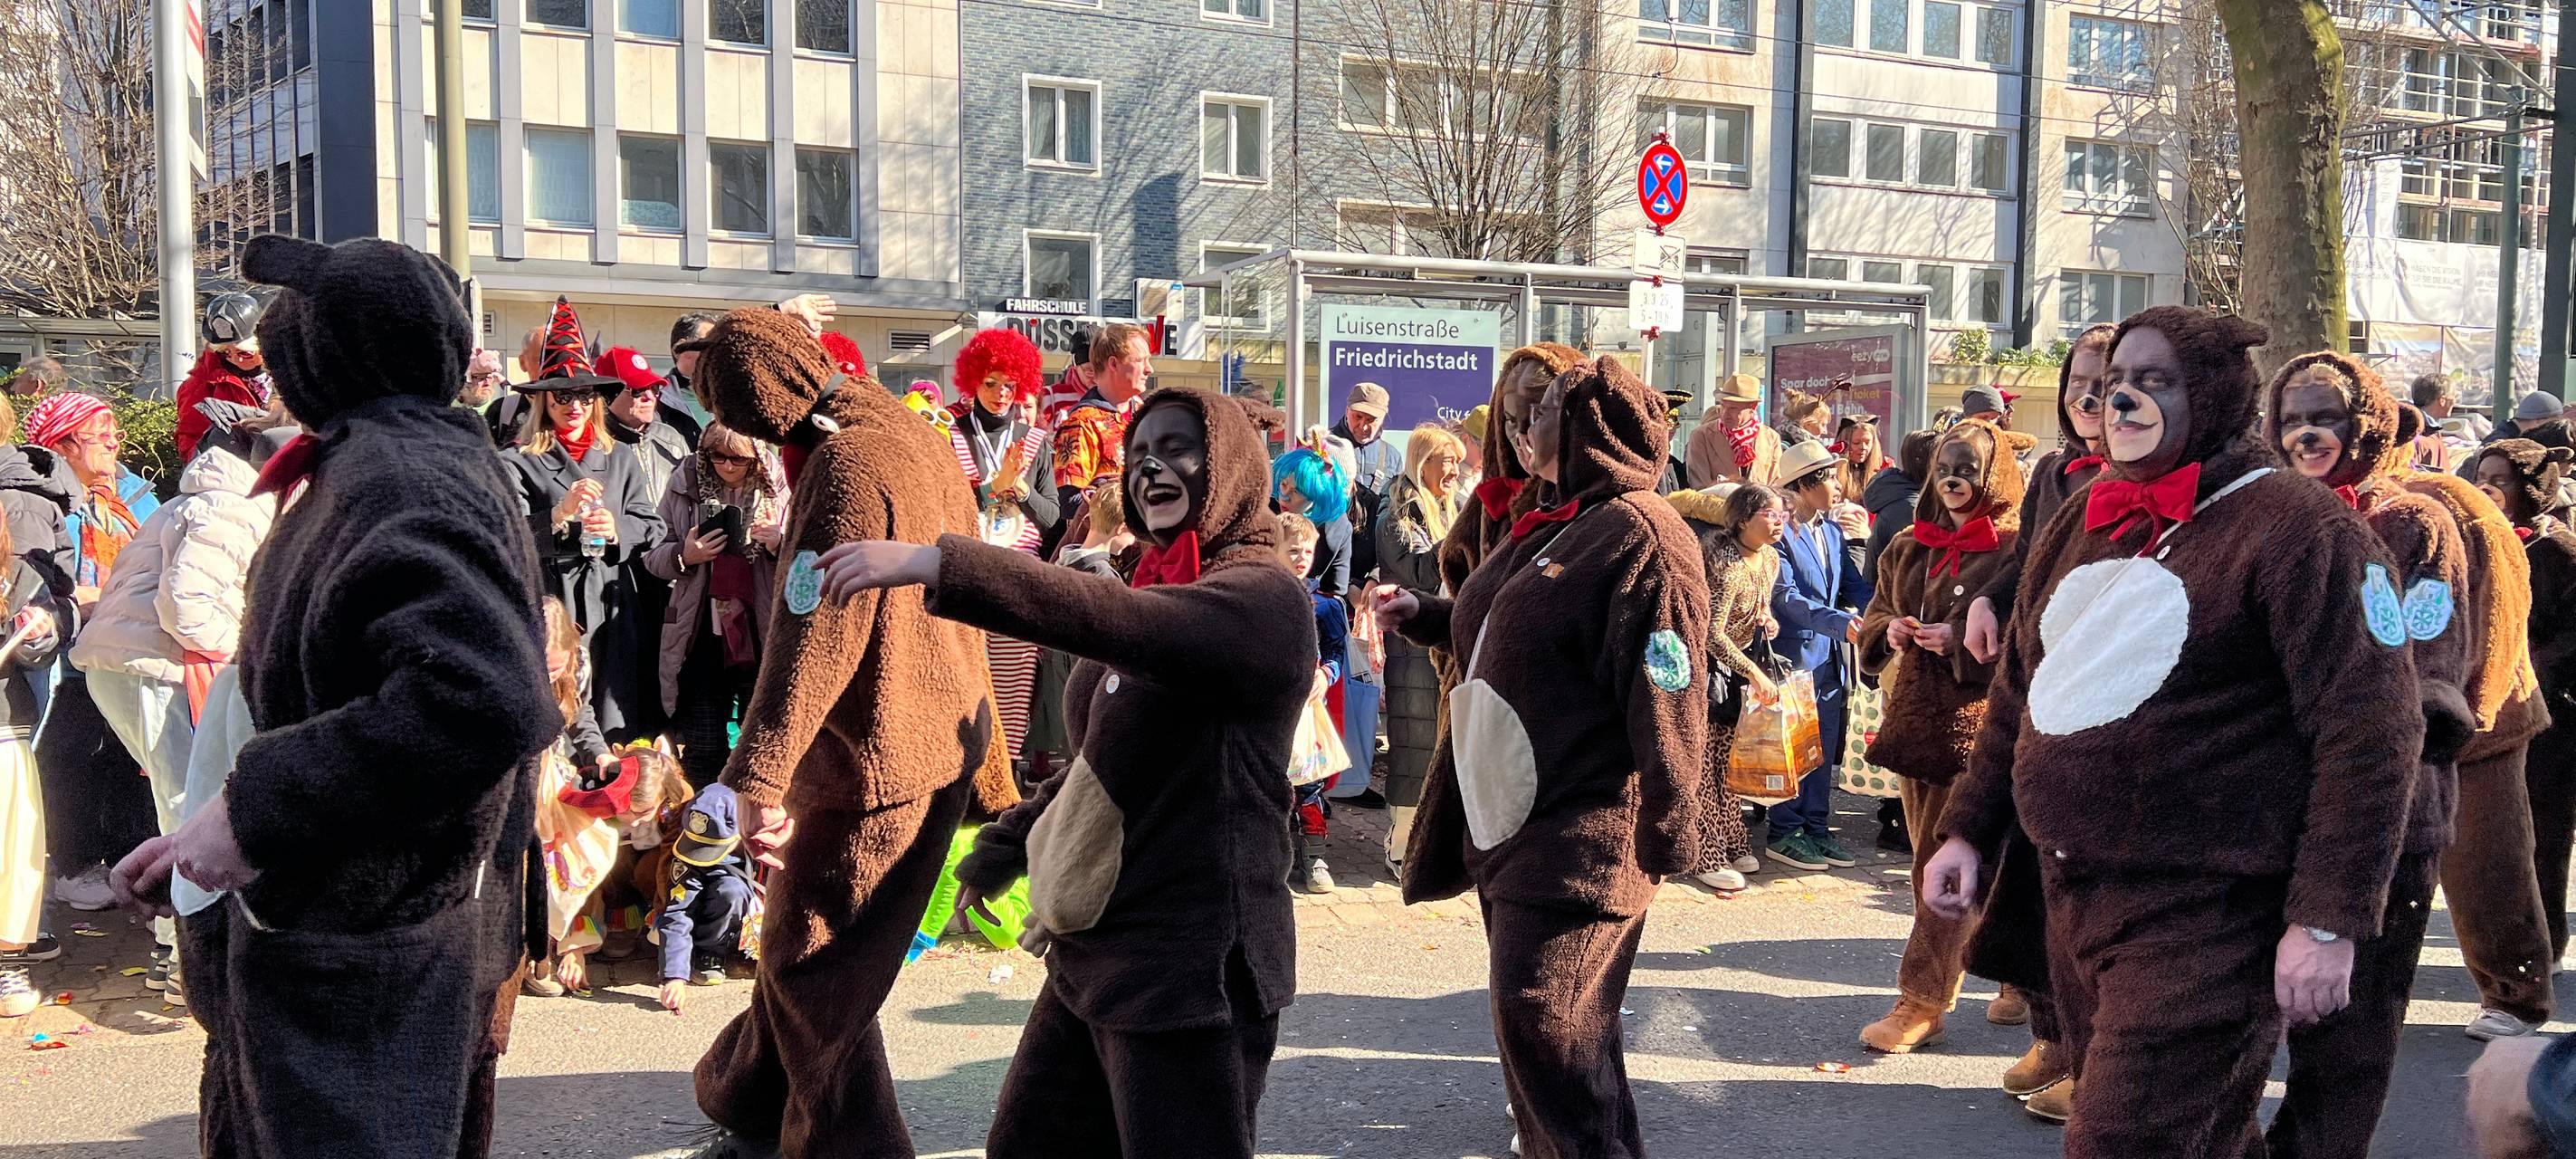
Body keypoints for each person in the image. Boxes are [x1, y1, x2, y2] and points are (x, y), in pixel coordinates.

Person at [1921, 308, 2425, 1157]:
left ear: (2216, 395)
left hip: (2212, 909)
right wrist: (1969, 828)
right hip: (2076, 896)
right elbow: (2021, 691)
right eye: (2119, 381)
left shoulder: (2305, 531)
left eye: (2156, 383)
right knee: (2206, 1137)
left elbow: (2372, 732)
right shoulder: (2085, 517)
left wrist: (2328, 919)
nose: (2124, 401)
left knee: (2125, 1140)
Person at [110, 233, 558, 1158]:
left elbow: (477, 695)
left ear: (318, 349)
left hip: (365, 955)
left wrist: (256, 812)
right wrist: (211, 828)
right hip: (353, 935)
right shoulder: (392, 459)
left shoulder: (398, 475)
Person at [818, 387, 1313, 1159]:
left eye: (1178, 447)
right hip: (1095, 948)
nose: (1152, 467)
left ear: (1230, 468)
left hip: (1192, 963)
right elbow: (1100, 763)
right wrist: (1008, 845)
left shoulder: (1261, 600)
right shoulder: (1158, 585)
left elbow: (1118, 622)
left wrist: (938, 561)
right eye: (1139, 452)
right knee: (1028, 1146)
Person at [674, 305, 1007, 1159]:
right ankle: (751, 1106)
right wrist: (995, 763)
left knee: (812, 965)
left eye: (725, 409)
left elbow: (817, 630)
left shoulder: (846, 462)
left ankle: (847, 1149)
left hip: (878, 753)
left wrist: (755, 778)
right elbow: (962, 614)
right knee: (811, 950)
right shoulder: (913, 432)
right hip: (931, 736)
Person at [1371, 356, 1710, 1159]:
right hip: (1512, 830)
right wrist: (1420, 611)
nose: (1525, 424)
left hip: (1582, 838)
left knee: (1550, 1027)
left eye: (1549, 408)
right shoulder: (1559, 521)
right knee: (1555, 1043)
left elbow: (1670, 684)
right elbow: (1501, 633)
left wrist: (1670, 821)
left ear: (1590, 422)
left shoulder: (1641, 535)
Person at [2262, 349, 2479, 1157]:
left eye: (2326, 417)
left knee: (2349, 1029)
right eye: (2291, 419)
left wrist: (2365, 740)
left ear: (2369, 425)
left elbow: (2426, 660)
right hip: (2274, 806)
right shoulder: (2269, 514)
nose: (2308, 434)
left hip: (2392, 807)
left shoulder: (2412, 522)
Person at [1951, 321, 2116, 1120]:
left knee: (2088, 884)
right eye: (2081, 376)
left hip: (2108, 701)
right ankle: (2056, 1034)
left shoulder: (2144, 474)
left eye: (2109, 377)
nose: (2092, 393)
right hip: (2038, 692)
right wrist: (1986, 595)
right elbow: (2029, 558)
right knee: (2032, 875)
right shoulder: (2054, 469)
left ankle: (2098, 1063)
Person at [68, 405, 282, 1003]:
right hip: (159, 669)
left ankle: (179, 948)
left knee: (184, 801)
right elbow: (185, 602)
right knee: (186, 806)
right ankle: (181, 954)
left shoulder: (201, 499)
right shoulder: (231, 503)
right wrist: (249, 657)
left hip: (135, 666)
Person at [1852, 418, 2035, 1055]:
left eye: (1969, 470)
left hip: (1987, 733)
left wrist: (1964, 642)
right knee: (1938, 866)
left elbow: (2033, 633)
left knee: (1975, 864)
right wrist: (1890, 633)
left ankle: (1931, 998)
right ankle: (1979, 983)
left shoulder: (2016, 549)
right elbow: (1874, 614)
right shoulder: (1907, 545)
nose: (1955, 482)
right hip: (1917, 731)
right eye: (1946, 469)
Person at [500, 299, 665, 744]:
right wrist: (558, 514)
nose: (574, 406)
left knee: (615, 716)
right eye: (563, 396)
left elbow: (652, 526)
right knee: (559, 715)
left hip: (611, 599)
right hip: (552, 602)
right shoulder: (516, 462)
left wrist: (617, 531)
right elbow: (505, 537)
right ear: (543, 400)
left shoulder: (619, 456)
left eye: (584, 395)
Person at [30, 390, 159, 915]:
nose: (112, 442)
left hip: (129, 651)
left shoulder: (134, 493)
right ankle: (75, 864)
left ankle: (130, 858)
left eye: (114, 431)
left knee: (132, 759)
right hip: (68, 658)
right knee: (71, 759)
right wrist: (76, 597)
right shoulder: (41, 501)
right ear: (62, 445)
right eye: (97, 433)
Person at [2474, 439, 2576, 965]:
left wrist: (2535, 665)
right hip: (2493, 714)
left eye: (2502, 479)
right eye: (2482, 475)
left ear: (2531, 490)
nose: (2488, 486)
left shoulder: (2556, 550)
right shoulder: (2480, 543)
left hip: (2552, 719)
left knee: (2544, 835)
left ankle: (2548, 944)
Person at [644, 424, 789, 789]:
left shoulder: (780, 482)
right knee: (704, 742)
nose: (726, 466)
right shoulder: (685, 481)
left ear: (755, 455)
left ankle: (754, 821)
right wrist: (685, 555)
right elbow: (653, 554)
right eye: (717, 457)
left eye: (737, 458)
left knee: (763, 739)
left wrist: (778, 545)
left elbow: (809, 559)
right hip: (701, 630)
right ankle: (702, 820)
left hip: (761, 629)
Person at [946, 328, 1061, 767]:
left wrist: (1022, 492)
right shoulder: (951, 434)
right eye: (991, 383)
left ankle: (1004, 784)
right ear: (972, 380)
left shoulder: (1035, 441)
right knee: (962, 686)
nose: (1000, 394)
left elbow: (1054, 522)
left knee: (1012, 696)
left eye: (1010, 385)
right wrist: (990, 488)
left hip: (1016, 580)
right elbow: (938, 508)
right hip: (966, 576)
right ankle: (960, 780)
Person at [1665, 480, 1783, 893]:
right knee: (1705, 764)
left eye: (1780, 512)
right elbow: (1711, 633)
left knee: (1729, 763)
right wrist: (1753, 670)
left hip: (1739, 670)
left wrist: (1766, 621)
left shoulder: (1769, 560)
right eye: (1769, 513)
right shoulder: (1725, 562)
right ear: (1743, 519)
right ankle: (1705, 853)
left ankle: (1732, 841)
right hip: (1708, 671)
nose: (1778, 520)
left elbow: (1759, 607)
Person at [1762, 437, 1873, 871]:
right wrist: (1839, 623)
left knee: (1824, 748)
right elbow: (1785, 598)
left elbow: (1853, 585)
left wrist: (1876, 612)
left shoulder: (1831, 530)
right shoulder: (1779, 534)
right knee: (1792, 748)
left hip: (1829, 659)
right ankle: (1784, 831)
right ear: (1805, 486)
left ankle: (1817, 829)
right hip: (1792, 656)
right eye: (1829, 477)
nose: (1838, 485)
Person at [1375, 423, 1465, 868]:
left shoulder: (1455, 506)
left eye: (1457, 461)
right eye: (1446, 461)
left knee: (1446, 744)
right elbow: (1418, 575)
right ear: (1421, 462)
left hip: (1449, 643)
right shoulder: (1396, 514)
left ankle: (1434, 842)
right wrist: (1462, 535)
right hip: (1411, 646)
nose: (1455, 470)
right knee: (1413, 744)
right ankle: (1401, 843)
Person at [0, 512, 67, 1018]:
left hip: (5, 727)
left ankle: (7, 960)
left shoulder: (21, 576)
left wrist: (41, 631)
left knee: (12, 852)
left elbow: (40, 653)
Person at [1281, 512, 1348, 894]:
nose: (1303, 556)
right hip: (1270, 711)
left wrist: (1326, 675)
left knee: (1309, 781)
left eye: (1308, 550)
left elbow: (1337, 650)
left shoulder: (1325, 605)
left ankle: (1315, 852)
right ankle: (1276, 852)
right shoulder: (1260, 596)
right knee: (1271, 783)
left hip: (1306, 712)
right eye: (1293, 550)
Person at [654, 775, 755, 1013]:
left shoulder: (762, 829)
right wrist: (674, 977)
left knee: (735, 889)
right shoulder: (687, 856)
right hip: (708, 917)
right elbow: (678, 912)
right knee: (731, 892)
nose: (701, 853)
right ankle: (708, 952)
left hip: (748, 919)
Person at [1052, 321, 1153, 514]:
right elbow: (1068, 502)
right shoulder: (1081, 423)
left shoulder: (1149, 414)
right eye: (1141, 361)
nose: (1149, 369)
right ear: (1113, 363)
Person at [175, 292, 272, 461]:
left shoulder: (292, 373)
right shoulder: (200, 384)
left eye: (245, 353)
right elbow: (189, 439)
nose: (235, 359)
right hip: (232, 472)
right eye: (225, 352)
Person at [601, 346, 695, 503]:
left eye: (654, 388)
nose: (650, 397)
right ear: (607, 395)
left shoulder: (673, 440)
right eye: (638, 390)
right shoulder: (594, 446)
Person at [1331, 381, 1401, 589]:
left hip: (1371, 565)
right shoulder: (1325, 447)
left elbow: (1395, 518)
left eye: (1371, 420)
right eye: (1357, 417)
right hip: (1329, 559)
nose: (1363, 426)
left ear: (1383, 420)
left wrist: (1377, 575)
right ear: (1347, 411)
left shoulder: (1392, 456)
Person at [1274, 442, 1352, 597]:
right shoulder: (1263, 510)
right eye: (1284, 485)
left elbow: (1335, 591)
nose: (1283, 497)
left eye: (1296, 492)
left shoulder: (1337, 528)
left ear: (1319, 497)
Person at [1862, 429, 1936, 580]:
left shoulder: (1904, 494)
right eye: (1941, 460)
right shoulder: (1910, 508)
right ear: (1924, 462)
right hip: (1891, 599)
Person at [1684, 372, 1778, 488]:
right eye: (1723, 406)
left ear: (1753, 407)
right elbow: (1700, 487)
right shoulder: (1701, 436)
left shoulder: (1771, 438)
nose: (1725, 414)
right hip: (1718, 505)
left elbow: (1776, 485)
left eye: (1733, 408)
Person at [2418, 373, 2493, 445]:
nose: (2455, 402)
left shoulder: (2417, 425)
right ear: (2442, 400)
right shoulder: (2425, 435)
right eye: (2453, 396)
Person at [460, 347, 510, 412]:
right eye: (481, 378)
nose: (487, 383)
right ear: (466, 380)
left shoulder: (498, 411)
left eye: (490, 377)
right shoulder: (448, 407)